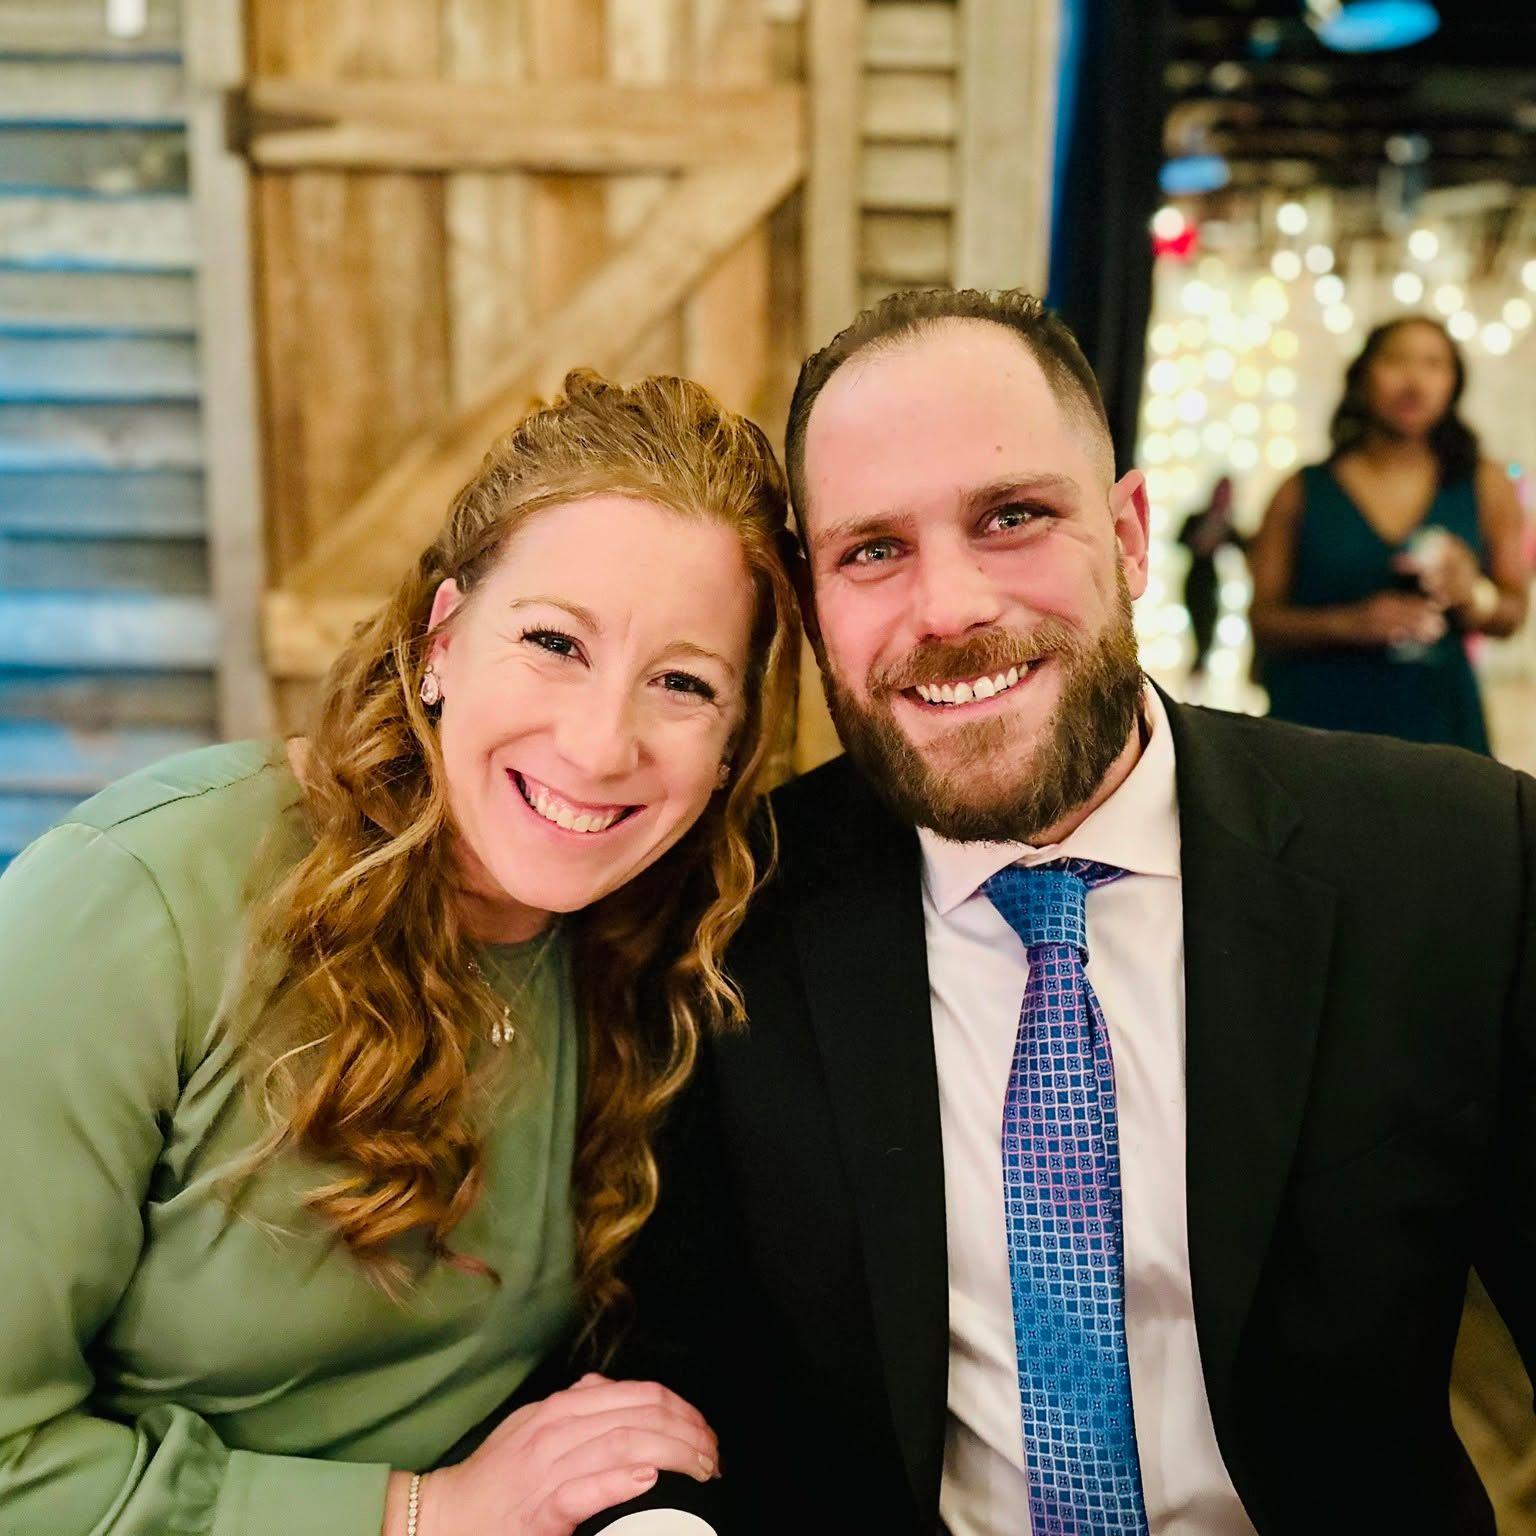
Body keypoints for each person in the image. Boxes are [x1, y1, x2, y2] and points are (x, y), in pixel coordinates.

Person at [613, 289, 1536, 1534]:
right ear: (813, 598)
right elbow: (665, 1368)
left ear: (1131, 535)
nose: (950, 608)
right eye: (872, 550)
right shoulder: (724, 911)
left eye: (1013, 517)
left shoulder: (1456, 863)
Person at [0, 370, 800, 1536]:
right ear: (442, 637)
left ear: (732, 744)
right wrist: (422, 1512)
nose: (599, 745)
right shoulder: (136, 899)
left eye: (682, 683)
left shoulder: (657, 936)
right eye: (554, 642)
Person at [1249, 314, 1528, 751]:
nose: (1415, 382)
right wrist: (1349, 623)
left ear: (1453, 385)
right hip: (1316, 731)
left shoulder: (1485, 484)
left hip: (1439, 732)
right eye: (1397, 360)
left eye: (1434, 364)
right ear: (1362, 376)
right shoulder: (1300, 491)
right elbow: (1263, 620)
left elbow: (1513, 612)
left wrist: (1473, 594)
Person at [1177, 473, 1245, 679]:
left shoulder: (1227, 526)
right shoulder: (1198, 519)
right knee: (1197, 628)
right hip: (1195, 579)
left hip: (1211, 581)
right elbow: (1180, 540)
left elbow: (1246, 546)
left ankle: (1198, 671)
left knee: (1208, 629)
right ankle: (1194, 672)